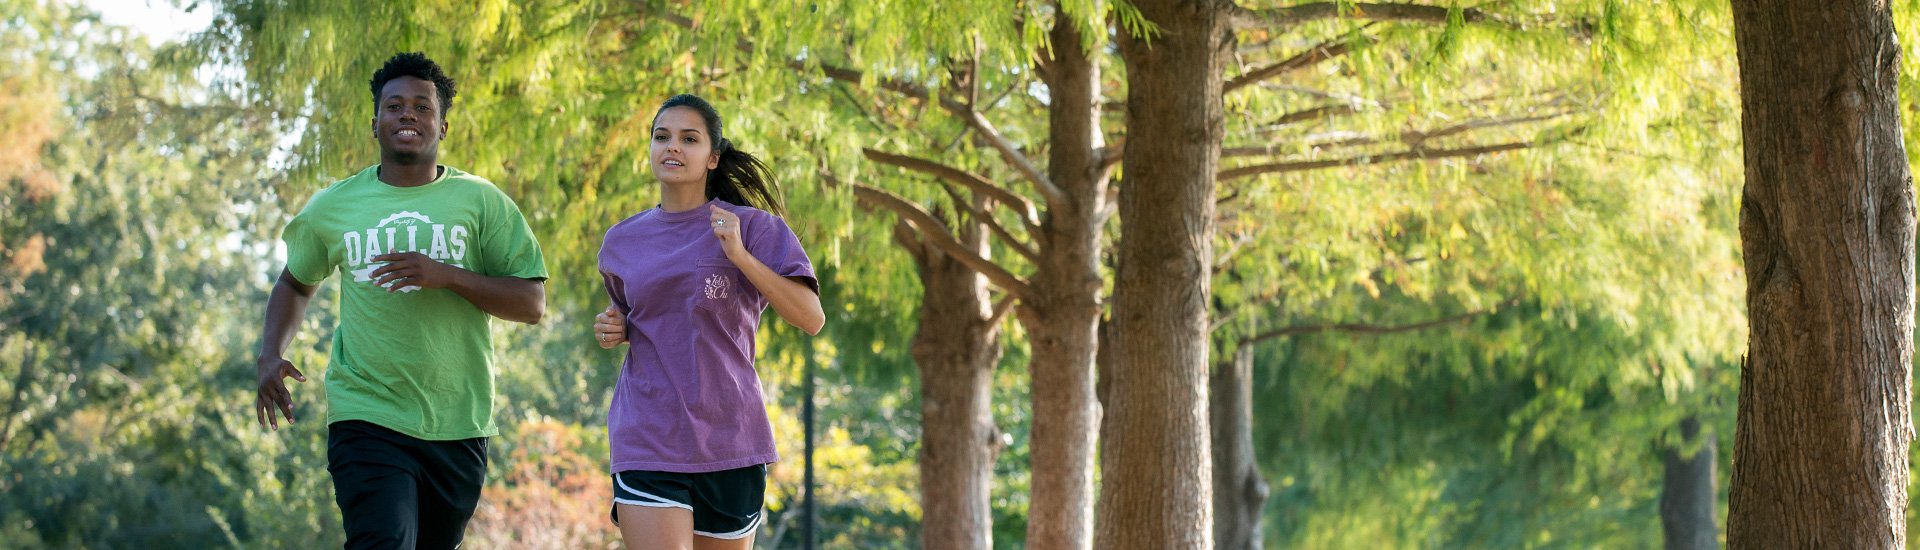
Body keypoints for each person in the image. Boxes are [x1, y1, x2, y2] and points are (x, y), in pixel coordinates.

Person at [251, 52, 548, 549]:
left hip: (458, 420)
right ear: (375, 124)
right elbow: (294, 283)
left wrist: (447, 275)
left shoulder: (481, 202)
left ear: (443, 126)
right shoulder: (335, 206)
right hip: (366, 413)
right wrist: (268, 352)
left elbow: (531, 303)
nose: (407, 114)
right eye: (394, 106)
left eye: (421, 107)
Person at [592, 93, 824, 549]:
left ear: (713, 156)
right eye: (662, 137)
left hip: (731, 438)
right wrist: (613, 327)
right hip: (649, 434)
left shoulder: (755, 228)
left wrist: (738, 255)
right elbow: (629, 315)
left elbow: (810, 317)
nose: (672, 147)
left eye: (688, 139)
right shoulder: (621, 240)